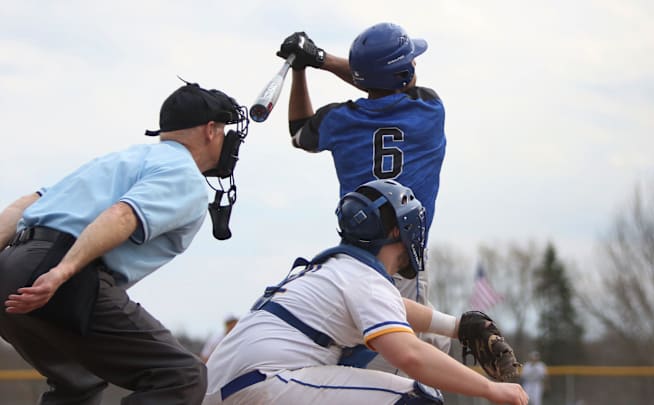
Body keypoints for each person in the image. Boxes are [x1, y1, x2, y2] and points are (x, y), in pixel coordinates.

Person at [0, 81, 249, 405]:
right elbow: (122, 215)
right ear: (211, 130)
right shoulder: (184, 174)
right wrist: (62, 272)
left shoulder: (122, 158)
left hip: (9, 270)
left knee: (78, 383)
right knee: (181, 375)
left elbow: (26, 204)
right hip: (57, 277)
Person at [203, 179, 527, 405]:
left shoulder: (335, 269)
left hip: (225, 387)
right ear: (397, 230)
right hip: (263, 384)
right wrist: (490, 390)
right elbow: (410, 356)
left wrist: (456, 328)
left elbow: (393, 306)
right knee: (418, 397)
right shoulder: (366, 280)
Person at [276, 22, 448, 371]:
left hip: (352, 260)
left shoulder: (339, 119)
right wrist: (322, 60)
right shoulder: (429, 108)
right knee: (413, 364)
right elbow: (384, 84)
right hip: (401, 258)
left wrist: (302, 69)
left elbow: (299, 132)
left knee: (372, 350)